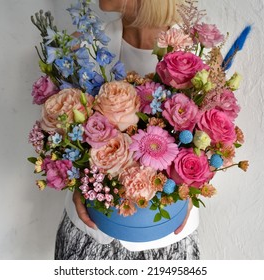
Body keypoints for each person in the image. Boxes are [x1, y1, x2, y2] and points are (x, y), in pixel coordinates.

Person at [55, 0, 200, 260]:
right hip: (90, 239)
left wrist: (191, 187)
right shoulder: (81, 48)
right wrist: (77, 183)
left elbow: (209, 143)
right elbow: (61, 140)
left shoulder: (198, 56)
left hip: (168, 243)